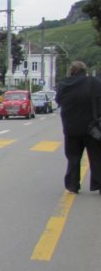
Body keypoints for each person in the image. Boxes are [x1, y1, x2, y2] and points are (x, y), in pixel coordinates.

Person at [55, 60, 101, 195]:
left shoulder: (64, 84)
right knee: (96, 157)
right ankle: (98, 183)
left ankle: (73, 185)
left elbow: (58, 101)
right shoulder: (94, 83)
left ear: (71, 71)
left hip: (71, 127)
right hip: (92, 128)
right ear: (84, 71)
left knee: (73, 157)